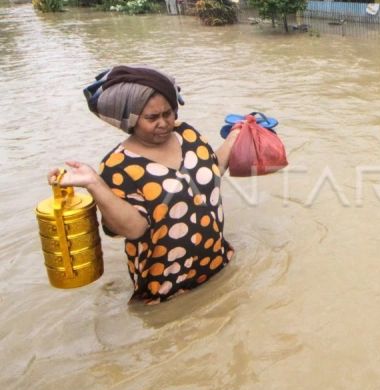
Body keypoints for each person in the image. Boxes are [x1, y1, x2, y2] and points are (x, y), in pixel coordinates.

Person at [48, 65, 239, 304]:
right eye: (151, 118)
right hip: (167, 292)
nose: (163, 123)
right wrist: (94, 184)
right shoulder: (119, 165)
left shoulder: (188, 135)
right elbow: (133, 229)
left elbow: (212, 172)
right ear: (132, 120)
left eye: (167, 113)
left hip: (220, 264)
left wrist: (234, 137)